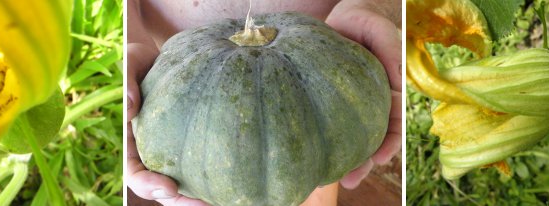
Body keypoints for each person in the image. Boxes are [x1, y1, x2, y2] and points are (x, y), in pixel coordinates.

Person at [126, 0, 401, 205]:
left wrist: (372, 4)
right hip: (180, 79)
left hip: (319, 91)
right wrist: (131, 34)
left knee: (311, 185)